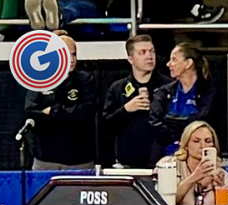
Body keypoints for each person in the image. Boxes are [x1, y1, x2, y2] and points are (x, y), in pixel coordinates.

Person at [24, 29, 97, 170]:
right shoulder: (40, 80)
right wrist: (67, 113)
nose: (72, 59)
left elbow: (84, 113)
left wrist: (52, 111)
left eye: (74, 54)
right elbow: (32, 113)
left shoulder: (86, 80)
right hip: (46, 160)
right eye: (66, 54)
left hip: (79, 161)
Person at [103, 34, 171, 169]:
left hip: (162, 164)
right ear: (131, 59)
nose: (149, 56)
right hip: (127, 164)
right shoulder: (118, 88)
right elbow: (106, 126)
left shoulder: (168, 86)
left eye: (152, 51)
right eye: (142, 52)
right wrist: (126, 110)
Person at [149, 42, 216, 159]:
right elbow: (154, 122)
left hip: (199, 156)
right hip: (165, 155)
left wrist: (169, 120)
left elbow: (202, 121)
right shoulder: (163, 92)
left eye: (174, 59)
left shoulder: (208, 92)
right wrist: (181, 129)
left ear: (188, 63)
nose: (168, 64)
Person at [156, 120, 228, 205]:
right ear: (186, 145)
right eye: (196, 141)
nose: (203, 146)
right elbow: (165, 203)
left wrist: (221, 188)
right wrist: (193, 178)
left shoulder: (221, 173)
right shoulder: (169, 166)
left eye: (208, 141)